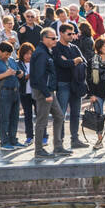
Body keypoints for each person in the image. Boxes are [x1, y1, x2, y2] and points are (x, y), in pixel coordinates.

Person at [30, 27, 65, 158]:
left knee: (60, 116)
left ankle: (58, 146)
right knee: (42, 121)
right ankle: (38, 150)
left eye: (56, 37)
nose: (56, 40)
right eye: (53, 38)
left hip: (49, 90)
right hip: (44, 91)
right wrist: (46, 94)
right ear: (44, 39)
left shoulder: (46, 51)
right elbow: (38, 76)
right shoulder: (41, 53)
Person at [52, 23, 87, 150]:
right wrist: (73, 61)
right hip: (63, 84)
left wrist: (70, 61)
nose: (72, 36)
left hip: (76, 84)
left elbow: (84, 61)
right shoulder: (56, 47)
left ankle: (75, 139)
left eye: (73, 33)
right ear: (61, 33)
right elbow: (61, 63)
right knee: (61, 114)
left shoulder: (74, 47)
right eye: (69, 34)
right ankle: (59, 142)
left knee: (76, 113)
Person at [0, 41, 22, 150]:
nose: (7, 56)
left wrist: (19, 73)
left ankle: (13, 140)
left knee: (14, 117)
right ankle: (4, 142)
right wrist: (6, 74)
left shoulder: (11, 60)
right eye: (6, 54)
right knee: (4, 118)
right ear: (0, 51)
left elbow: (16, 71)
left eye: (9, 54)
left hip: (15, 91)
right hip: (4, 92)